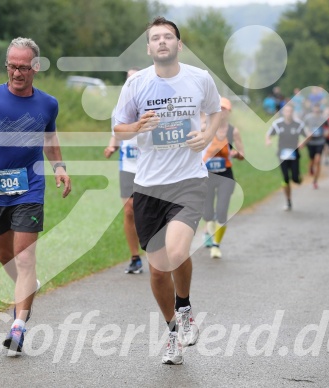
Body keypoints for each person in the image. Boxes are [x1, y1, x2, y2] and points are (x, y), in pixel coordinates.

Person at [113, 17, 221, 365]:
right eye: (155, 38)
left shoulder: (199, 79)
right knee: (158, 269)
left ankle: (185, 303)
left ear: (179, 45)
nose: (162, 42)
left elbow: (216, 113)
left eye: (168, 37)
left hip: (189, 180)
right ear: (148, 47)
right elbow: (119, 128)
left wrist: (207, 137)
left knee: (174, 252)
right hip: (148, 185)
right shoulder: (136, 85)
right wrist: (136, 126)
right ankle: (174, 328)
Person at [0, 37, 72, 353]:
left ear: (35, 67)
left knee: (25, 257)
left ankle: (18, 326)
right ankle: (28, 286)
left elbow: (50, 138)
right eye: (12, 66)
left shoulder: (48, 103)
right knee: (3, 256)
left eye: (23, 67)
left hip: (30, 187)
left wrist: (59, 166)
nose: (17, 73)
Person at [104, 67, 142, 274]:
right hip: (127, 165)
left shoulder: (150, 104)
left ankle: (157, 250)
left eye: (135, 79)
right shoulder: (118, 109)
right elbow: (116, 133)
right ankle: (135, 257)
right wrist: (112, 146)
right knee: (129, 210)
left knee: (149, 211)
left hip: (150, 166)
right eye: (128, 79)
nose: (131, 83)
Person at [202, 97, 245, 259]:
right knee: (207, 214)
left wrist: (236, 154)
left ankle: (216, 245)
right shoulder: (205, 128)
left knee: (222, 211)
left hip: (226, 175)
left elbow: (242, 154)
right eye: (218, 109)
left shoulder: (233, 131)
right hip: (207, 175)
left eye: (224, 109)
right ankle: (210, 230)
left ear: (228, 112)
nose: (221, 112)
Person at [266, 104, 309, 211]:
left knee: (295, 179)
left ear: (292, 112)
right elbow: (268, 134)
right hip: (282, 155)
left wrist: (302, 142)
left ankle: (298, 177)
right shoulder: (278, 123)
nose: (288, 113)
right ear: (283, 112)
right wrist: (268, 140)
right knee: (285, 178)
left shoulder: (298, 124)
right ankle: (288, 201)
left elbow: (308, 135)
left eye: (290, 111)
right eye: (286, 111)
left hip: (294, 154)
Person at [303, 104, 327, 189]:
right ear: (313, 110)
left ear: (319, 110)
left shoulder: (323, 118)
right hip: (311, 142)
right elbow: (303, 127)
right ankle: (310, 169)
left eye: (318, 110)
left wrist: (326, 133)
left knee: (318, 160)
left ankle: (315, 181)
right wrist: (307, 133)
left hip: (320, 142)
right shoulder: (308, 118)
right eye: (315, 110)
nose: (316, 112)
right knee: (312, 161)